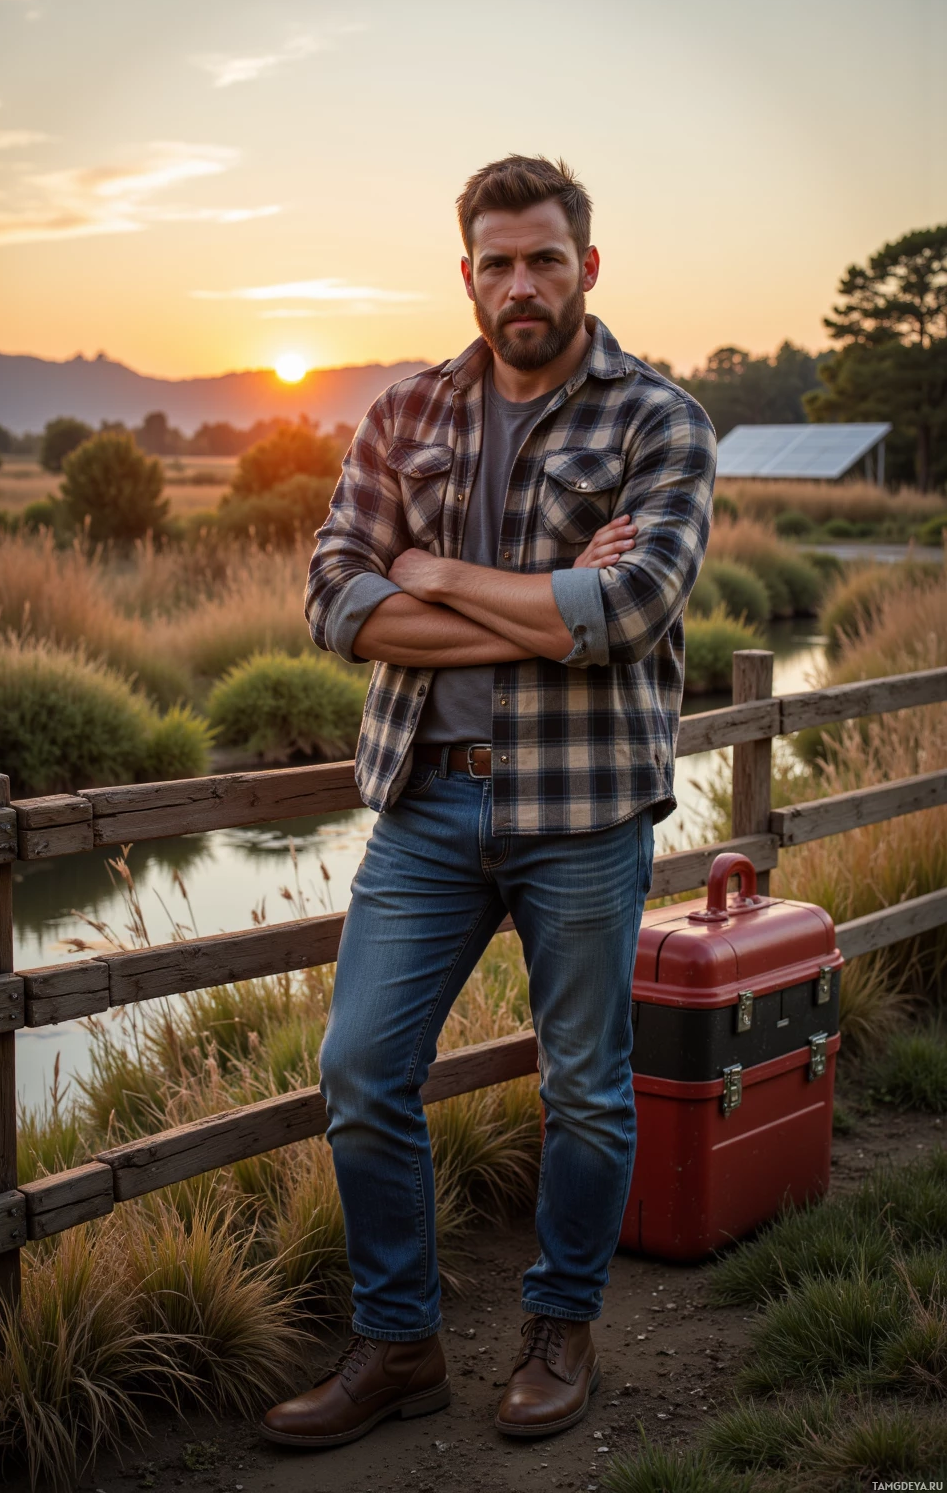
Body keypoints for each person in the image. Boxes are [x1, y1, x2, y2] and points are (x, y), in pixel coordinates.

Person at [262, 154, 715, 1449]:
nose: (522, 284)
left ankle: (560, 1328)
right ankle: (398, 1345)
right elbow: (336, 604)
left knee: (585, 1089)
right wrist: (540, 610)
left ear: (588, 266)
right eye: (498, 263)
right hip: (425, 808)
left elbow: (625, 612)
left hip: (582, 813)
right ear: (467, 273)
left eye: (545, 260)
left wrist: (435, 570)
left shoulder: (657, 422)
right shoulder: (405, 413)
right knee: (360, 1071)